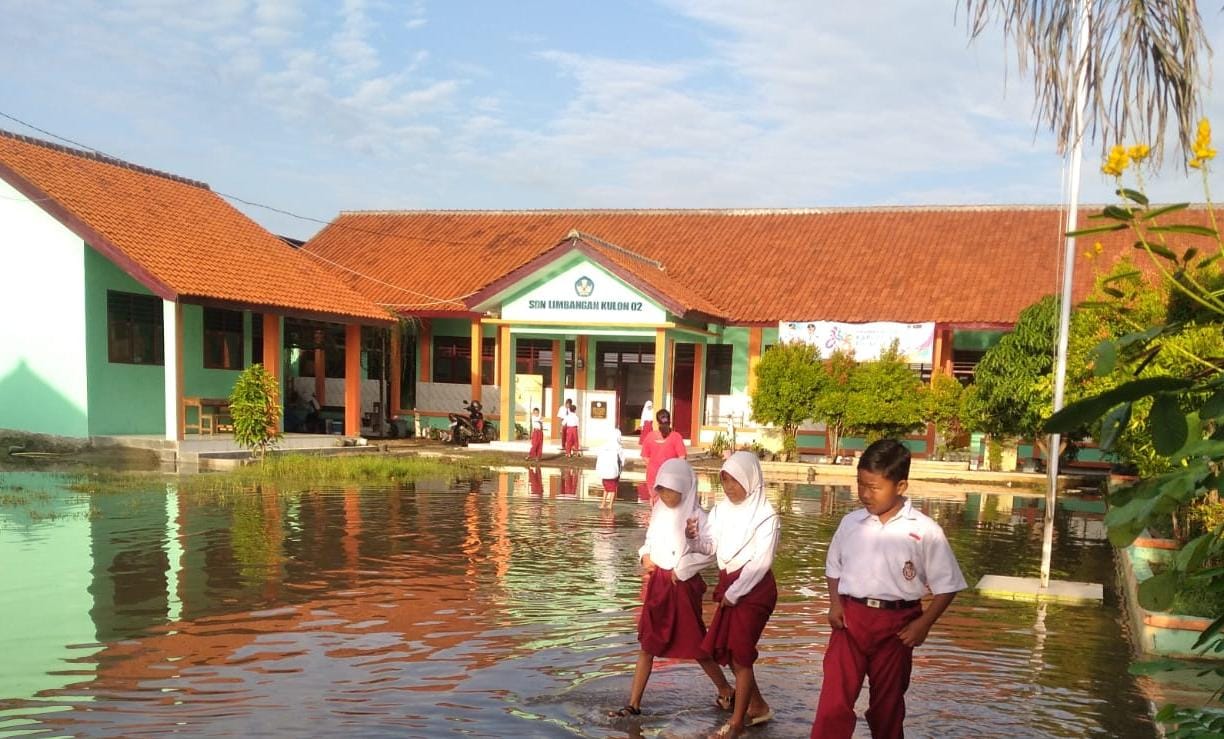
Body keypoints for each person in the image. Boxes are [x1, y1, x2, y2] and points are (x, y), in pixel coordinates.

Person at [810, 439, 967, 739]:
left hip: (897, 625)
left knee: (887, 705)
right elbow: (834, 567)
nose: (865, 494)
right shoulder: (851, 523)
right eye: (860, 485)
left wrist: (924, 624)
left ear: (901, 485)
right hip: (850, 619)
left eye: (874, 487)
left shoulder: (924, 530)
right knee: (834, 701)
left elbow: (948, 585)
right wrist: (834, 603)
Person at [609, 459, 731, 719]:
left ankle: (725, 689)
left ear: (686, 489)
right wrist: (645, 555)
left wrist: (682, 568)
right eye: (661, 489)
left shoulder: (700, 518)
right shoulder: (659, 510)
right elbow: (650, 539)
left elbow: (710, 551)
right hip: (658, 584)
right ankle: (633, 704)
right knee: (648, 643)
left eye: (671, 490)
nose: (665, 495)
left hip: (682, 585)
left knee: (697, 643)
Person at [687, 451, 779, 736]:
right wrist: (694, 538)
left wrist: (736, 593)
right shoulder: (721, 509)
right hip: (730, 585)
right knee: (732, 651)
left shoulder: (766, 516)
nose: (729, 488)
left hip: (755, 589)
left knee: (740, 654)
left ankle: (737, 723)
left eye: (735, 481)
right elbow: (712, 545)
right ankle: (758, 706)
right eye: (725, 481)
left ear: (750, 480)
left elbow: (761, 562)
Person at [640, 409, 686, 502]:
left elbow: (644, 457)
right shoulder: (676, 436)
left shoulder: (650, 436)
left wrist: (654, 465)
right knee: (669, 505)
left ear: (657, 422)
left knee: (654, 500)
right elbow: (682, 457)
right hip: (671, 476)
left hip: (653, 476)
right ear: (670, 421)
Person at [595, 429, 624, 509]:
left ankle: (603, 503)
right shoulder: (618, 448)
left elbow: (599, 458)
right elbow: (622, 460)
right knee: (613, 489)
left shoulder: (603, 446)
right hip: (614, 471)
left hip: (604, 472)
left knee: (606, 488)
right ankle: (610, 505)